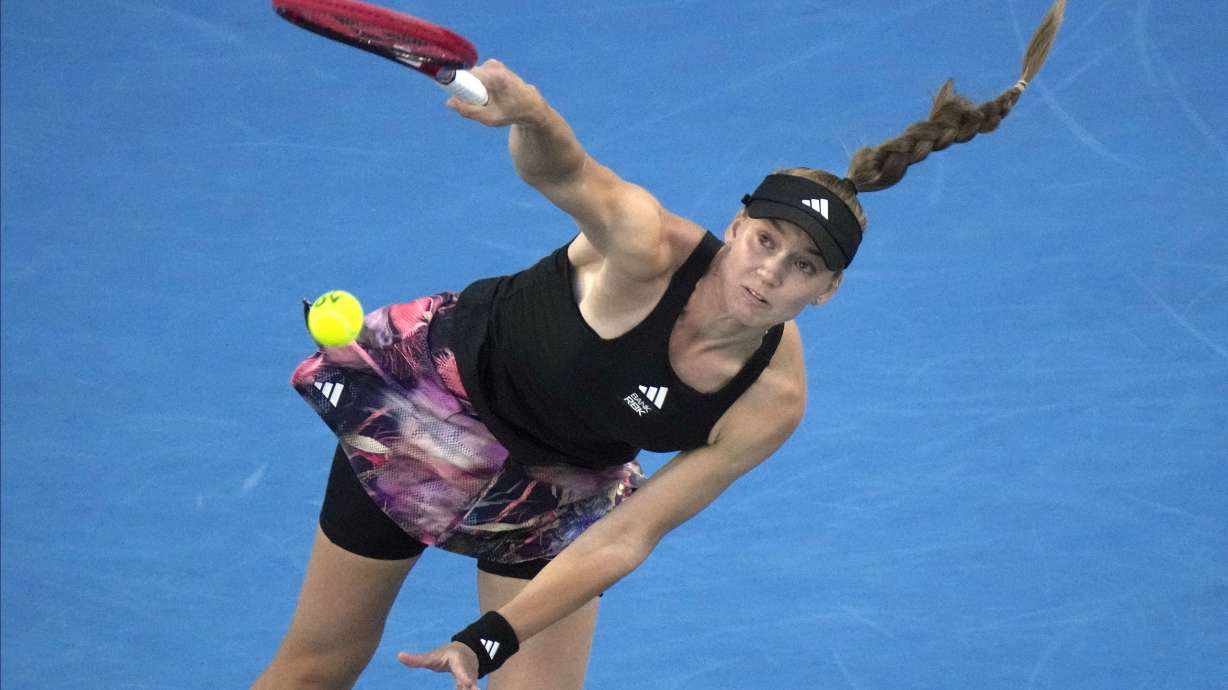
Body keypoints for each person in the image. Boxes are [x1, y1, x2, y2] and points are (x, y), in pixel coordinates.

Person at [253, 2, 1064, 688]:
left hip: (562, 483)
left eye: (803, 266)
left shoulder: (770, 400)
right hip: (439, 409)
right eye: (766, 241)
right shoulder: (645, 246)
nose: (771, 271)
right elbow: (565, 171)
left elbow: (627, 533)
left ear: (825, 292)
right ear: (738, 226)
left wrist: (484, 641)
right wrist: (532, 114)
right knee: (320, 664)